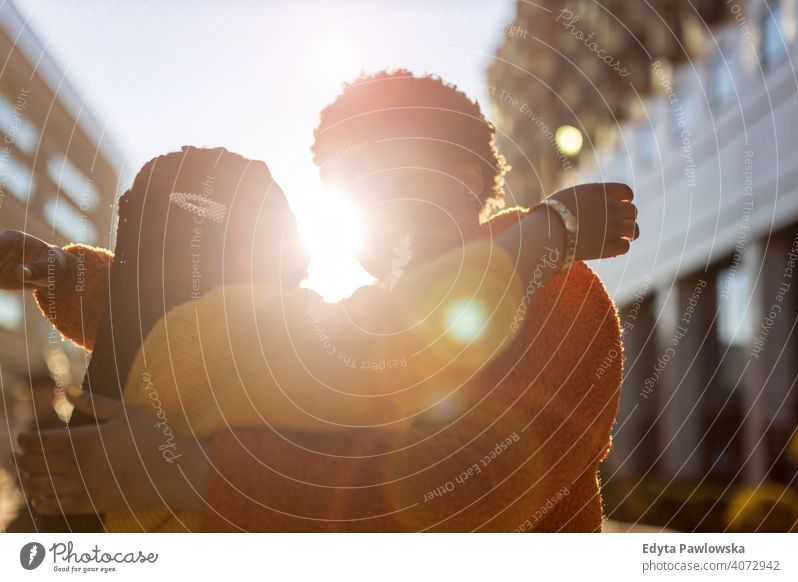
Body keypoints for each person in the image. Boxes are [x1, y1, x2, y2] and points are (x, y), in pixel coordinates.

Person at [7, 70, 637, 532]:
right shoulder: (379, 311)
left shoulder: (558, 291)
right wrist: (60, 275)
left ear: (465, 174)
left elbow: (464, 498)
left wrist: (187, 473)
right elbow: (246, 346)